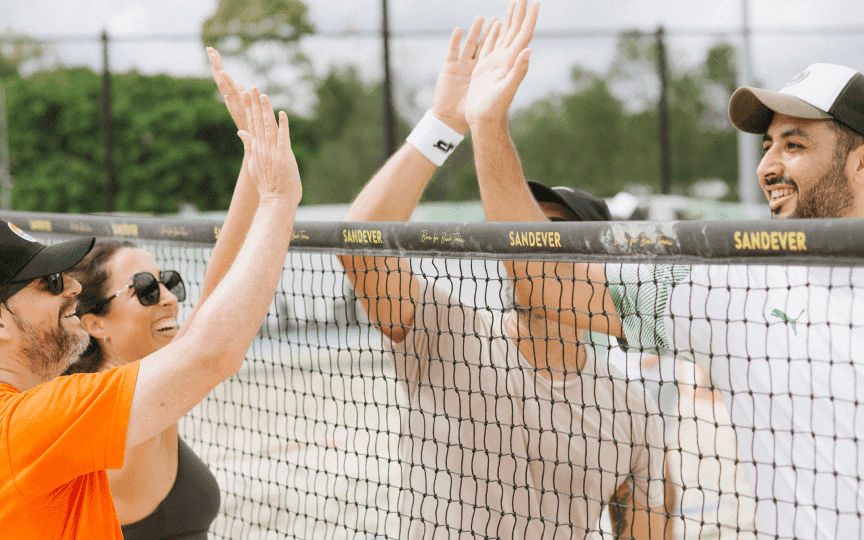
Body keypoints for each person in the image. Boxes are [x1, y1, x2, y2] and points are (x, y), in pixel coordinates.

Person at [465, 7, 864, 536]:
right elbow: (547, 283)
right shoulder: (738, 286)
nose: (769, 166)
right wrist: (487, 126)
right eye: (768, 145)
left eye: (794, 145)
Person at [337, 4, 668, 538]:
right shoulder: (446, 329)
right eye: (518, 226)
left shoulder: (630, 407)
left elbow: (649, 527)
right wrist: (444, 121)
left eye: (550, 231)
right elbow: (359, 245)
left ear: (598, 264)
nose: (526, 241)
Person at [0, 81, 303, 538]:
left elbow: (214, 305)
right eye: (52, 281)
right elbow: (212, 350)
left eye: (166, 282)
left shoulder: (62, 409)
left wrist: (255, 162)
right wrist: (279, 200)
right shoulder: (40, 422)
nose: (73, 289)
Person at [55, 48, 254, 539]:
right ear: (93, 322)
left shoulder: (149, 387)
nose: (167, 296)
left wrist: (255, 155)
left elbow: (218, 283)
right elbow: (218, 323)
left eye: (166, 281)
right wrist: (273, 193)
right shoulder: (112, 415)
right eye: (144, 289)